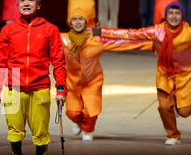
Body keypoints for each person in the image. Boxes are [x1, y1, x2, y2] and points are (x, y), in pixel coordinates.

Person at [0, 0, 67, 155]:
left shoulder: (50, 29)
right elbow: (1, 63)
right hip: (13, 88)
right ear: (17, 4)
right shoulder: (8, 29)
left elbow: (59, 62)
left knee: (41, 138)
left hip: (40, 88)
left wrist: (61, 89)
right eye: (22, 0)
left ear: (39, 5)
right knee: (14, 136)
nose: (26, 3)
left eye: (30, 0)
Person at [93, 2, 191, 145]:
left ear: (182, 16)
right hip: (165, 75)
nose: (174, 16)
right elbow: (129, 34)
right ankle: (173, 135)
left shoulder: (188, 32)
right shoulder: (157, 31)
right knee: (163, 107)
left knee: (184, 112)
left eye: (177, 13)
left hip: (185, 76)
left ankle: (179, 106)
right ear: (166, 16)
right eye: (171, 13)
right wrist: (101, 31)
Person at [61, 8, 152, 141]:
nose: (78, 22)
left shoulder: (96, 39)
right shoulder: (63, 39)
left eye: (81, 19)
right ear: (70, 23)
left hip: (92, 81)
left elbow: (123, 43)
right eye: (74, 19)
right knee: (72, 113)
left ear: (87, 22)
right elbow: (40, 41)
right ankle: (79, 122)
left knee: (91, 111)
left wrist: (151, 45)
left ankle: (87, 130)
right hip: (72, 83)